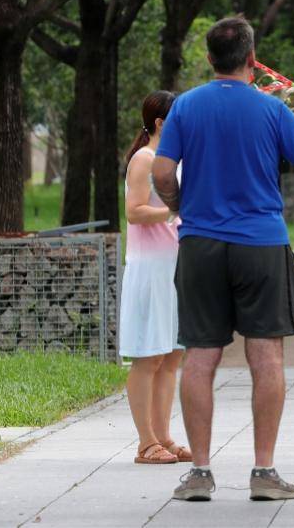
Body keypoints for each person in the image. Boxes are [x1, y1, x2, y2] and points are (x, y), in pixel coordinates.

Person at [151, 16, 294, 501]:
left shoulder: (185, 107)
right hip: (261, 245)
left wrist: (180, 208)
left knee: (199, 358)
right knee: (267, 356)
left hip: (201, 245)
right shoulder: (271, 111)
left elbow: (163, 172)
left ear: (210, 58)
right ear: (252, 60)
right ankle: (264, 473)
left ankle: (200, 474)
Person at [119, 90, 191, 465]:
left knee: (171, 356)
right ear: (162, 123)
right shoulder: (143, 160)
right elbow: (133, 212)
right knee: (149, 356)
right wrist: (176, 210)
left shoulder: (173, 161)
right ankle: (146, 443)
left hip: (175, 270)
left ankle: (163, 437)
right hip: (149, 269)